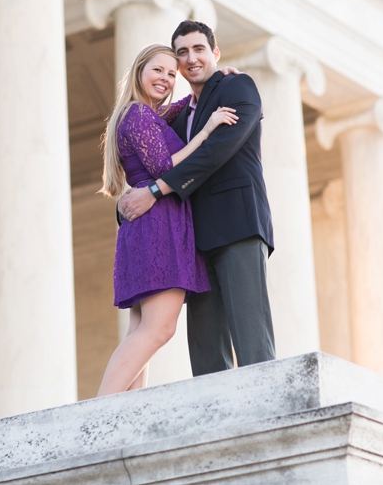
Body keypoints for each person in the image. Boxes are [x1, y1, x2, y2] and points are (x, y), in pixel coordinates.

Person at [118, 20, 276, 375]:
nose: (191, 58)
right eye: (182, 52)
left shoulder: (238, 87)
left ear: (215, 54)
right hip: (191, 242)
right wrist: (128, 200)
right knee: (206, 353)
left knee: (252, 342)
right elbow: (152, 163)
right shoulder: (175, 117)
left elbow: (214, 153)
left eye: (199, 49)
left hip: (236, 226)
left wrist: (156, 191)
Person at [97, 43, 239, 396]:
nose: (166, 78)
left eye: (171, 74)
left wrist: (212, 81)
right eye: (157, 70)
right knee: (159, 330)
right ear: (139, 71)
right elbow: (166, 166)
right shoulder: (140, 115)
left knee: (141, 333)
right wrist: (206, 132)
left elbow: (177, 111)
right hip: (157, 222)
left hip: (146, 225)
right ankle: (98, 412)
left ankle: (122, 416)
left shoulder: (140, 115)